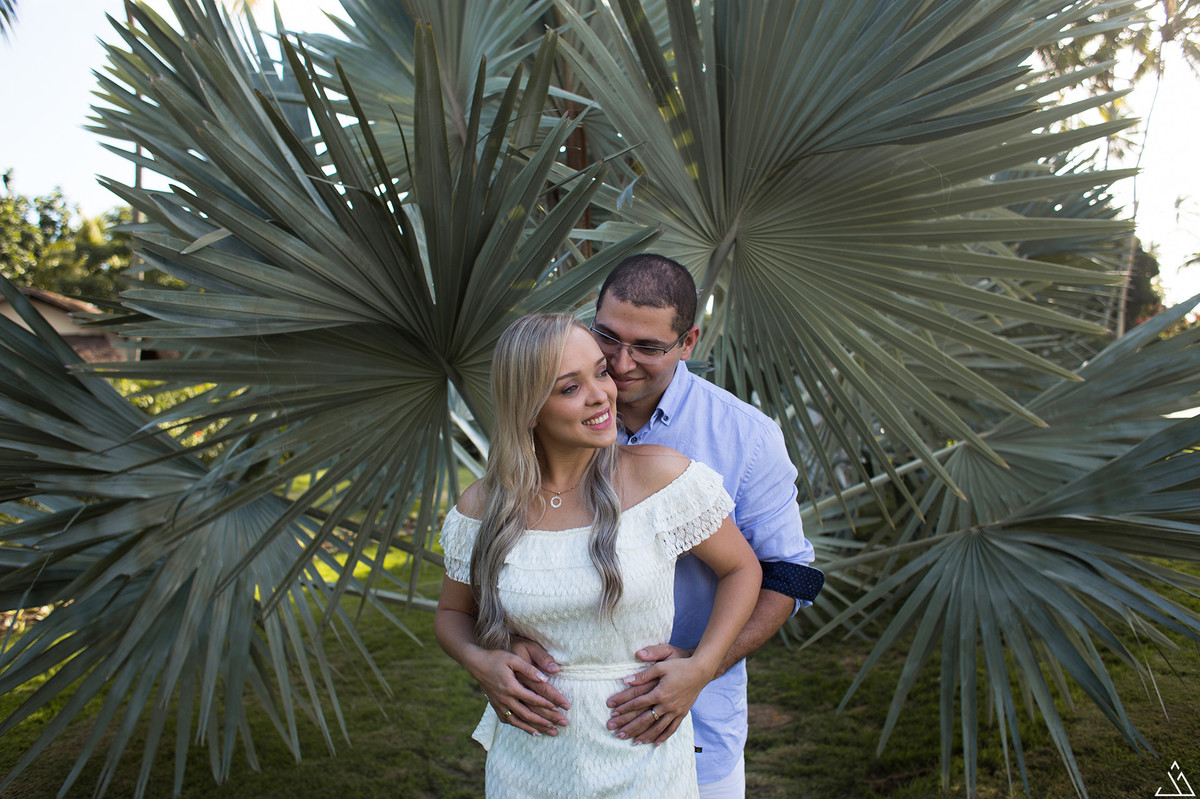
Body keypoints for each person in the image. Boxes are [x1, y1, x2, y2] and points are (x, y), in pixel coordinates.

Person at [504, 254, 820, 797]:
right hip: (558, 727)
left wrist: (703, 665)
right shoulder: (545, 424)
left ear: (689, 341)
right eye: (608, 337)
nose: (622, 364)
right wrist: (506, 638)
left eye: (648, 347)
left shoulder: (747, 438)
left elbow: (791, 577)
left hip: (694, 720)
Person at [434, 312, 762, 797]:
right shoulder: (483, 507)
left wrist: (700, 667)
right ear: (528, 409)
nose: (601, 394)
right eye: (569, 388)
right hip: (529, 756)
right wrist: (479, 661)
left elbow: (742, 569)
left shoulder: (663, 481)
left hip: (642, 750)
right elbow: (451, 614)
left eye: (600, 372)